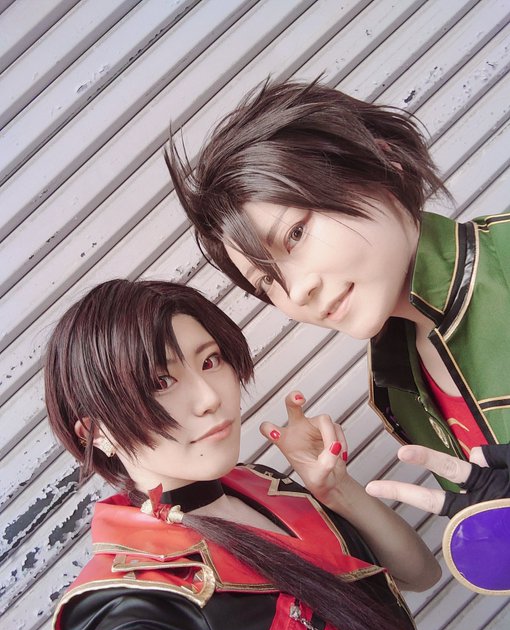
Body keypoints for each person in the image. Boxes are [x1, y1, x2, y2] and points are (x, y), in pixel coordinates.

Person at [164, 79, 510, 582]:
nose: (297, 291)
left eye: (295, 234)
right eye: (267, 282)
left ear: (382, 161)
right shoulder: (397, 382)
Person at [46, 279, 447, 630]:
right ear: (96, 432)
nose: (210, 398)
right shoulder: (139, 600)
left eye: (210, 361)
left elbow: (422, 575)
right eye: (160, 382)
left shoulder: (261, 484)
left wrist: (338, 490)